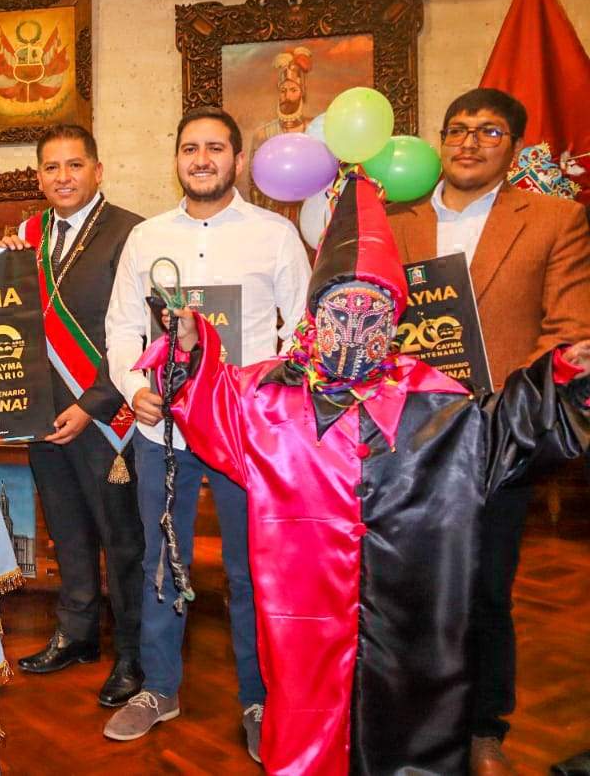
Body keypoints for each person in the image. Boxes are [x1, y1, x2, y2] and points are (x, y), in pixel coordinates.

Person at [138, 172, 590, 774]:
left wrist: (565, 376)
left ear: (394, 319)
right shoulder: (268, 400)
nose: (354, 325)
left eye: (371, 309)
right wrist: (191, 349)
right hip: (303, 612)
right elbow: (207, 403)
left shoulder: (435, 399)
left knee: (409, 715)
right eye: (340, 308)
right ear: (315, 315)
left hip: (411, 613)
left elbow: (510, 428)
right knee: (305, 710)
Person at [385, 87, 590, 775]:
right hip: (402, 440)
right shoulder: (394, 221)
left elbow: (568, 330)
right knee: (399, 589)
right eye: (457, 129)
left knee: (484, 591)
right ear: (439, 141)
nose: (469, 142)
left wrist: (500, 408)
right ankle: (406, 721)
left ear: (515, 147)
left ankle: (482, 729)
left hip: (497, 437)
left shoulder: (555, 219)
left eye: (489, 131)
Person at [102, 107, 310, 760]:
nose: (201, 159)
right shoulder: (146, 238)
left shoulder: (275, 235)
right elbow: (121, 326)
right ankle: (159, 688)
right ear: (177, 161)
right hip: (162, 432)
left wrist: (266, 394)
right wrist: (133, 388)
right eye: (190, 148)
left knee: (251, 571)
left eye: (215, 148)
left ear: (238, 161)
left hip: (245, 436)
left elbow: (303, 327)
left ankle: (258, 697)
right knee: (162, 562)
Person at [0, 124, 146, 707]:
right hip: (42, 415)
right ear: (38, 176)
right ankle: (77, 633)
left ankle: (132, 652)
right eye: (52, 167)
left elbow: (139, 333)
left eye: (75, 165)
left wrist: (92, 404)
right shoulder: (26, 238)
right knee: (67, 532)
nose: (63, 177)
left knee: (122, 540)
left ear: (98, 170)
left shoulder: (130, 233)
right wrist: (1, 267)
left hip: (106, 417)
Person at [246, 46, 312, 209]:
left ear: (302, 92)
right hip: (272, 211)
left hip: (307, 210)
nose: (287, 96)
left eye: (293, 90)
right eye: (283, 90)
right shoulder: (263, 134)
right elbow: (254, 181)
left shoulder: (313, 129)